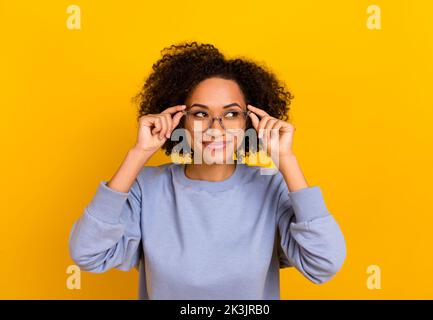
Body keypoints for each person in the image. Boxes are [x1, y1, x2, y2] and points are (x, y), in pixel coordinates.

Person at [68, 41, 346, 299]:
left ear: (251, 122)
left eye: (231, 114)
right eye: (201, 113)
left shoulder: (271, 188)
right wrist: (138, 154)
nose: (216, 128)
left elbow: (325, 262)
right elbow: (88, 253)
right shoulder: (147, 188)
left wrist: (286, 159)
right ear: (180, 120)